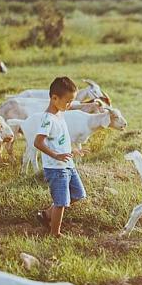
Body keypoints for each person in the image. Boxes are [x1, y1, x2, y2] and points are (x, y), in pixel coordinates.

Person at [35, 77, 86, 237]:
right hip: (56, 168)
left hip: (67, 164)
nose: (69, 105)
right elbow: (38, 142)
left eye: (72, 101)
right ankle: (54, 233)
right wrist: (56, 155)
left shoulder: (60, 114)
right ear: (54, 98)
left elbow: (60, 139)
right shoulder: (47, 119)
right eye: (68, 101)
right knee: (61, 203)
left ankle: (46, 215)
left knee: (78, 194)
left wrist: (72, 150)